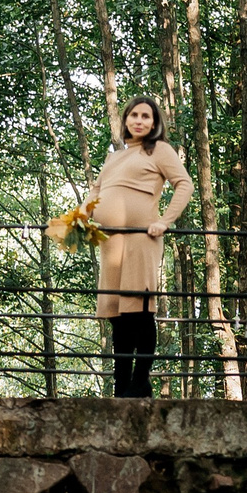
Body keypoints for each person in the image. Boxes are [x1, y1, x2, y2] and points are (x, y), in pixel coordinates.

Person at [85, 98, 193, 398]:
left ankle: (141, 381)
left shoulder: (159, 150)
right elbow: (95, 192)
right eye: (134, 115)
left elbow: (184, 184)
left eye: (146, 116)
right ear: (126, 120)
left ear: (154, 122)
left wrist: (165, 221)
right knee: (118, 315)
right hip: (110, 242)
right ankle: (122, 387)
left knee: (140, 310)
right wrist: (77, 218)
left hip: (141, 239)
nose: (139, 120)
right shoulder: (114, 157)